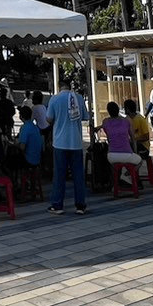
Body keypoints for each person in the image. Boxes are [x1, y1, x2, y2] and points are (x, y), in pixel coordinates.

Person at [45, 74, 90, 215]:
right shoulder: (79, 98)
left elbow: (48, 119)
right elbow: (84, 117)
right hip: (76, 142)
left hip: (60, 142)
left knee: (59, 174)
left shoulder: (55, 99)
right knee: (78, 175)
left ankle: (57, 205)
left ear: (59, 86)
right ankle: (80, 205)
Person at [98, 102, 142, 171]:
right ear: (118, 110)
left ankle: (118, 178)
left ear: (108, 111)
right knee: (139, 161)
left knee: (115, 167)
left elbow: (107, 133)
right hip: (127, 154)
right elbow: (133, 139)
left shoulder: (105, 122)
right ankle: (131, 174)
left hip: (111, 156)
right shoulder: (127, 121)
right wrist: (135, 152)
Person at [16, 104, 43, 173]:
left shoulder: (25, 128)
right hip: (38, 158)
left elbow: (22, 147)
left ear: (21, 116)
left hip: (29, 159)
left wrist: (15, 144)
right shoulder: (35, 127)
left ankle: (15, 180)